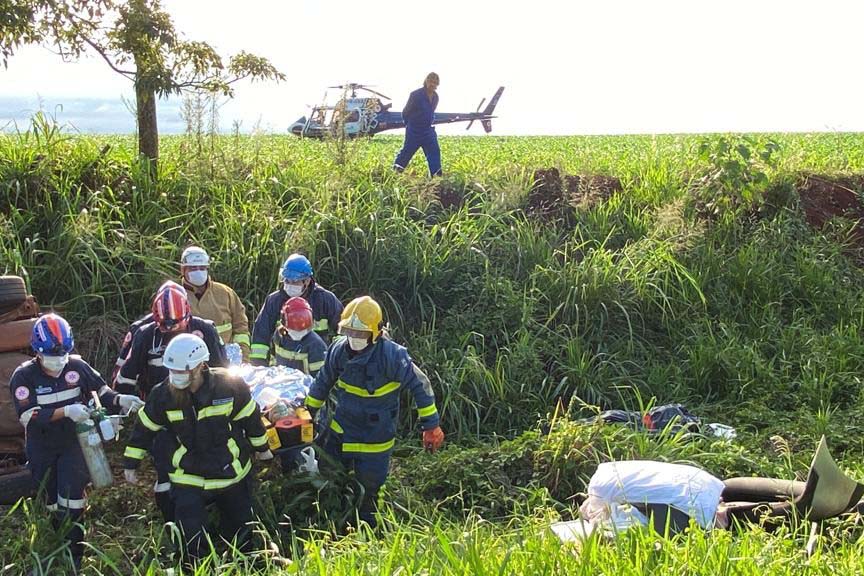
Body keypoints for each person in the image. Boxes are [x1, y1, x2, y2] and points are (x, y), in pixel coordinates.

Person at [122, 333, 273, 564]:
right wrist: (131, 463)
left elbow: (250, 420)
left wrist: (263, 449)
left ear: (200, 366)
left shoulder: (228, 387)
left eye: (182, 371)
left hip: (229, 472)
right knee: (190, 536)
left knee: (243, 532)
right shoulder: (163, 395)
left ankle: (245, 565)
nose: (176, 377)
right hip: (188, 476)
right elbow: (145, 429)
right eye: (173, 371)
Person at [10, 314, 143, 572]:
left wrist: (122, 400)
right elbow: (28, 416)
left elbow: (102, 392)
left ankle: (75, 551)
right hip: (42, 445)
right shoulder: (23, 377)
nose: (59, 360)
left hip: (74, 442)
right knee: (50, 497)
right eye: (52, 355)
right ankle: (54, 538)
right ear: (37, 351)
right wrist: (66, 411)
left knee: (72, 496)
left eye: (63, 354)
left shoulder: (77, 367)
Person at [304, 296, 445, 527]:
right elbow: (322, 383)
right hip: (342, 432)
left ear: (376, 332)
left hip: (375, 439)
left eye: (360, 334)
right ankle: (329, 525)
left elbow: (420, 386)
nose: (354, 338)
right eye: (349, 331)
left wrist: (431, 425)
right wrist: (308, 412)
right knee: (327, 481)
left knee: (370, 493)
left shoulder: (392, 356)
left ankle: (367, 534)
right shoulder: (338, 350)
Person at [115, 283, 227, 523]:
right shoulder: (145, 335)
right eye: (166, 326)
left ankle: (210, 512)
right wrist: (121, 405)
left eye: (177, 324)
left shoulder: (205, 330)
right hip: (162, 412)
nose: (172, 330)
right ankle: (171, 522)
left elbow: (222, 372)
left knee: (207, 459)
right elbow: (125, 375)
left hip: (201, 409)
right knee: (166, 470)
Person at [250, 253, 343, 366]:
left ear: (307, 281)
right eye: (287, 281)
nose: (289, 285)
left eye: (294, 282)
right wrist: (259, 366)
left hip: (316, 363)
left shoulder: (325, 300)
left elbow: (342, 331)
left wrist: (337, 359)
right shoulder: (274, 301)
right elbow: (261, 335)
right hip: (281, 369)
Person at [180, 246, 251, 362]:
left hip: (225, 361)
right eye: (193, 268)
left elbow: (241, 328)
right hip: (188, 363)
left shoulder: (225, 293)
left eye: (202, 268)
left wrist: (243, 358)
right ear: (182, 270)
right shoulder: (175, 296)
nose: (198, 271)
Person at [111, 280, 186, 389]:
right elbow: (122, 374)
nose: (170, 328)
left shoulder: (202, 328)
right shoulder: (142, 332)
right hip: (154, 398)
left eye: (175, 324)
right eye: (164, 325)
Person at [394, 72, 442, 177]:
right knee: (407, 152)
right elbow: (405, 112)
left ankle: (436, 178)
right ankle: (395, 173)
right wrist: (410, 125)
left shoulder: (435, 97)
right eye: (430, 81)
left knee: (434, 152)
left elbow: (431, 112)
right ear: (426, 81)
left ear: (437, 84)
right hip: (414, 130)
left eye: (435, 82)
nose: (432, 84)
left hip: (428, 130)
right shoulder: (415, 95)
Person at [271, 297, 327, 377]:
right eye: (293, 329)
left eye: (302, 330)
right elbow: (273, 359)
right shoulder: (279, 335)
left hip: (305, 387)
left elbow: (320, 378)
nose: (298, 333)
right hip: (280, 382)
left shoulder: (316, 345)